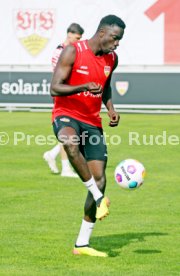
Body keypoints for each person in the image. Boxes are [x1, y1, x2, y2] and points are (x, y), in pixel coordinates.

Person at [50, 15, 126, 257]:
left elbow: (106, 85)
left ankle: (82, 244)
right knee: (70, 144)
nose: (117, 44)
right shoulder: (73, 51)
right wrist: (82, 86)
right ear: (102, 32)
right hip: (67, 114)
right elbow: (54, 87)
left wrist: (111, 109)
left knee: (100, 178)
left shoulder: (112, 58)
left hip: (92, 121)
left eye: (120, 40)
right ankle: (98, 197)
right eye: (115, 38)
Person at [43, 23, 84, 176]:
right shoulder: (59, 52)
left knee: (72, 131)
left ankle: (52, 155)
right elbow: (62, 76)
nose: (79, 41)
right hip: (61, 94)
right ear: (69, 35)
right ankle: (66, 168)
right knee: (67, 129)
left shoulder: (73, 51)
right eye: (78, 38)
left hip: (69, 94)